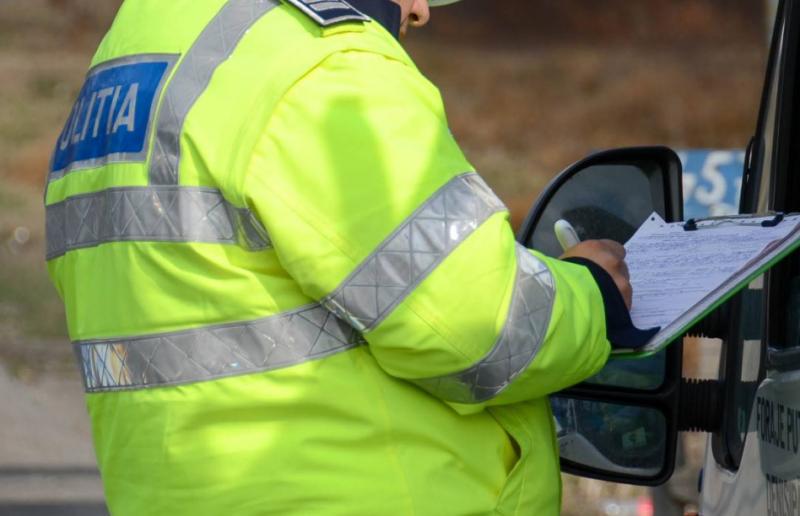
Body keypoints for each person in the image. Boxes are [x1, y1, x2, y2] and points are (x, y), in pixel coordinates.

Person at [44, 0, 651, 514]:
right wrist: (594, 293)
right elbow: (476, 322)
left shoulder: (136, 52)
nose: (418, 11)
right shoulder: (314, 63)